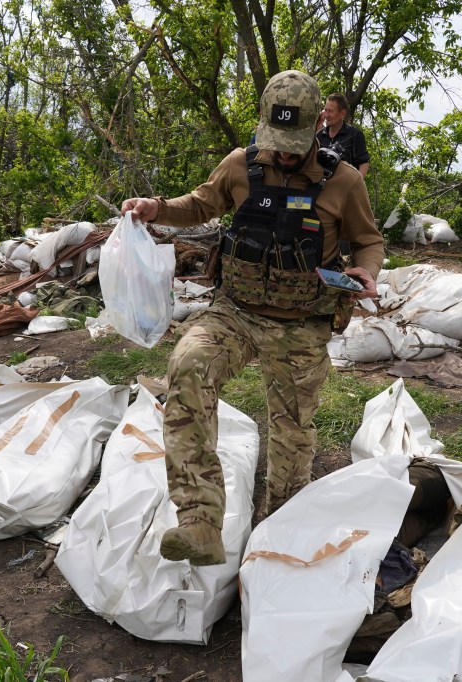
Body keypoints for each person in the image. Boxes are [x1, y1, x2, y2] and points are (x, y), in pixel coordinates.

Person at [121, 70, 385, 566]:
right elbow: (200, 204)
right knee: (188, 366)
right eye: (276, 143)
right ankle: (199, 521)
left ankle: (279, 533)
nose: (283, 155)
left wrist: (365, 270)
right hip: (235, 312)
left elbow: (369, 240)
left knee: (292, 433)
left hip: (302, 321)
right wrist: (156, 208)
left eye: (293, 145)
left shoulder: (343, 180)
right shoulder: (240, 166)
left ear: (315, 132)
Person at [316, 93, 370, 177]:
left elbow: (364, 163)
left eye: (330, 111)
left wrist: (355, 184)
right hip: (320, 187)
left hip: (346, 187)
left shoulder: (355, 135)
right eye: (325, 110)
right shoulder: (319, 135)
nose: (326, 115)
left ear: (342, 113)